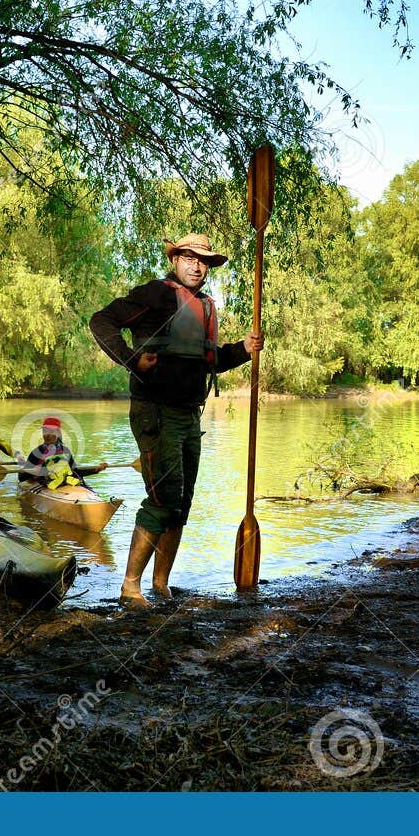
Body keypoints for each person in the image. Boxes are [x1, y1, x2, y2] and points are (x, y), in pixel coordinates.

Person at [90, 232, 264, 605]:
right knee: (162, 498)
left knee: (181, 502)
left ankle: (161, 584)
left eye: (203, 261)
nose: (197, 265)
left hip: (189, 416)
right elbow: (101, 321)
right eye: (188, 258)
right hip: (155, 412)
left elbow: (208, 359)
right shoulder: (155, 294)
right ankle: (129, 587)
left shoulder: (203, 306)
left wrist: (244, 350)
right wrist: (130, 358)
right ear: (175, 260)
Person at [19, 416, 105, 487]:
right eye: (45, 431)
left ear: (58, 433)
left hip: (63, 483)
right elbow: (22, 478)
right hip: (45, 484)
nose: (48, 435)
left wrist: (95, 470)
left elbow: (74, 472)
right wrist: (32, 471)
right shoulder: (37, 452)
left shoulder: (65, 451)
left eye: (51, 431)